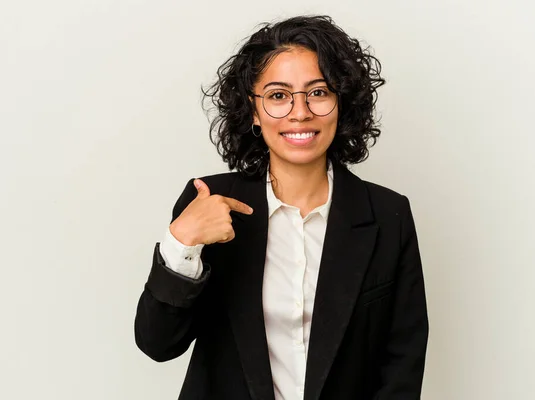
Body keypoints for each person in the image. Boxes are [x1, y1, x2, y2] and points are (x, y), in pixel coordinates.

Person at [134, 15, 428, 400]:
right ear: (253, 112)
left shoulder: (389, 215)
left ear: (341, 103)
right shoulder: (207, 201)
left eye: (318, 92)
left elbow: (402, 365)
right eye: (278, 95)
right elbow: (158, 344)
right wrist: (181, 242)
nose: (300, 112)